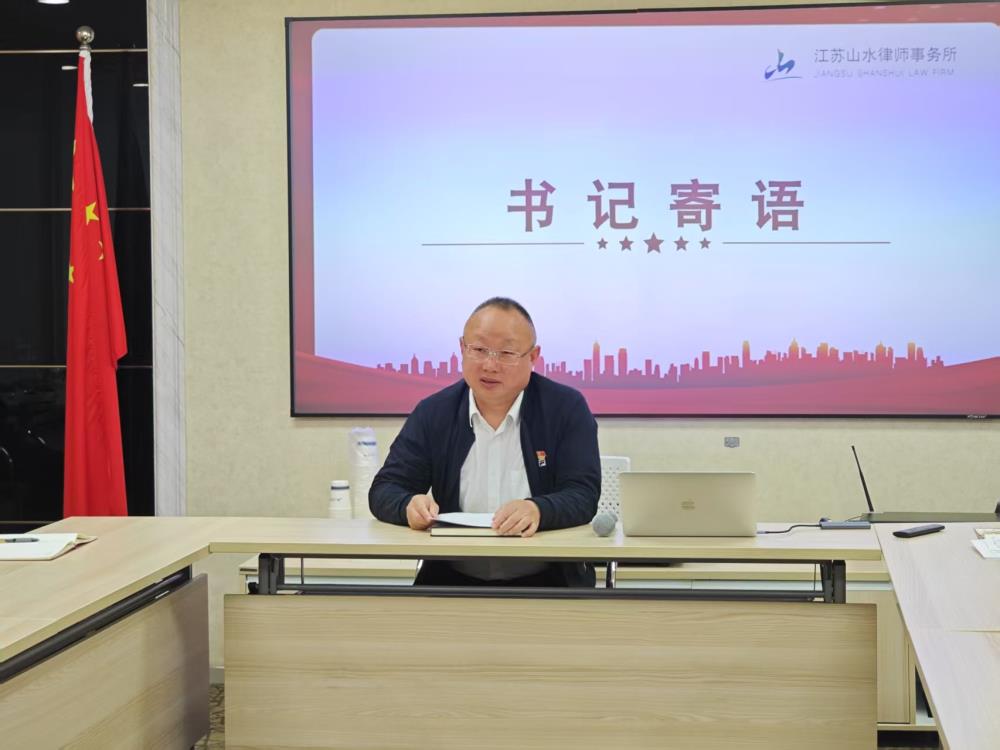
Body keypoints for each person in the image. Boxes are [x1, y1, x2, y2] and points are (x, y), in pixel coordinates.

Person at [369, 297, 601, 587]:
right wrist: (408, 506)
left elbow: (583, 494)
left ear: (533, 357)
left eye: (506, 353)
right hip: (452, 581)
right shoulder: (434, 412)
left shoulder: (565, 408)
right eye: (478, 350)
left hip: (548, 582)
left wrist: (540, 510)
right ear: (462, 349)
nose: (490, 365)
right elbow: (385, 489)